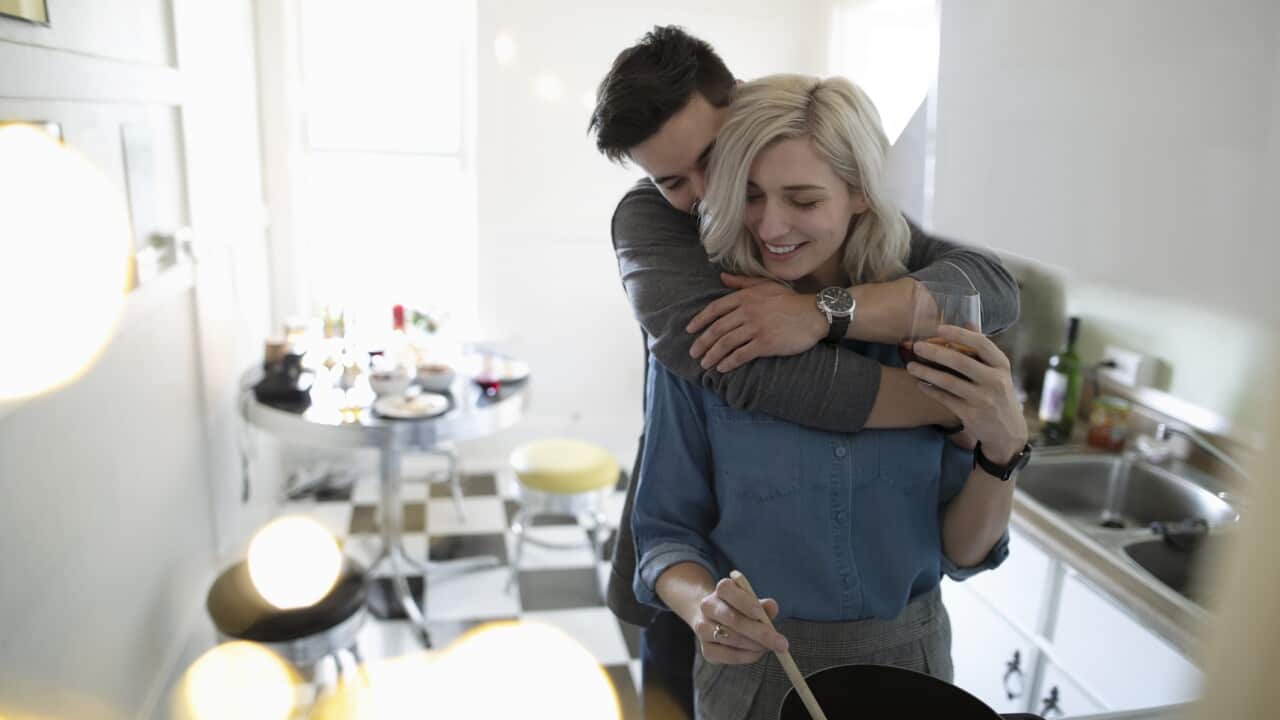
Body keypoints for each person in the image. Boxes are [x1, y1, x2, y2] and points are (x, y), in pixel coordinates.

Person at [588, 26, 1021, 718]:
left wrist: (1001, 444)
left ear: (860, 193)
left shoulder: (924, 312)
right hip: (750, 673)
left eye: (803, 199)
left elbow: (962, 552)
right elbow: (667, 526)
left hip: (909, 668)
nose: (765, 224)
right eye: (749, 194)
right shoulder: (699, 298)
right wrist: (945, 406)